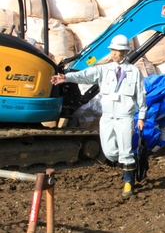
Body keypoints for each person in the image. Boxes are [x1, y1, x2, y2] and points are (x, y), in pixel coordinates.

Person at [51, 35, 146, 197]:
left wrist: (142, 116)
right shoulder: (105, 70)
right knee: (109, 152)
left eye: (117, 50)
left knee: (125, 152)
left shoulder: (134, 72)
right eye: (113, 50)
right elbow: (85, 74)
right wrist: (66, 77)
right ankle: (128, 163)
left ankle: (128, 183)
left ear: (126, 51)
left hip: (125, 117)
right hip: (107, 117)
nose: (114, 53)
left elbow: (141, 95)